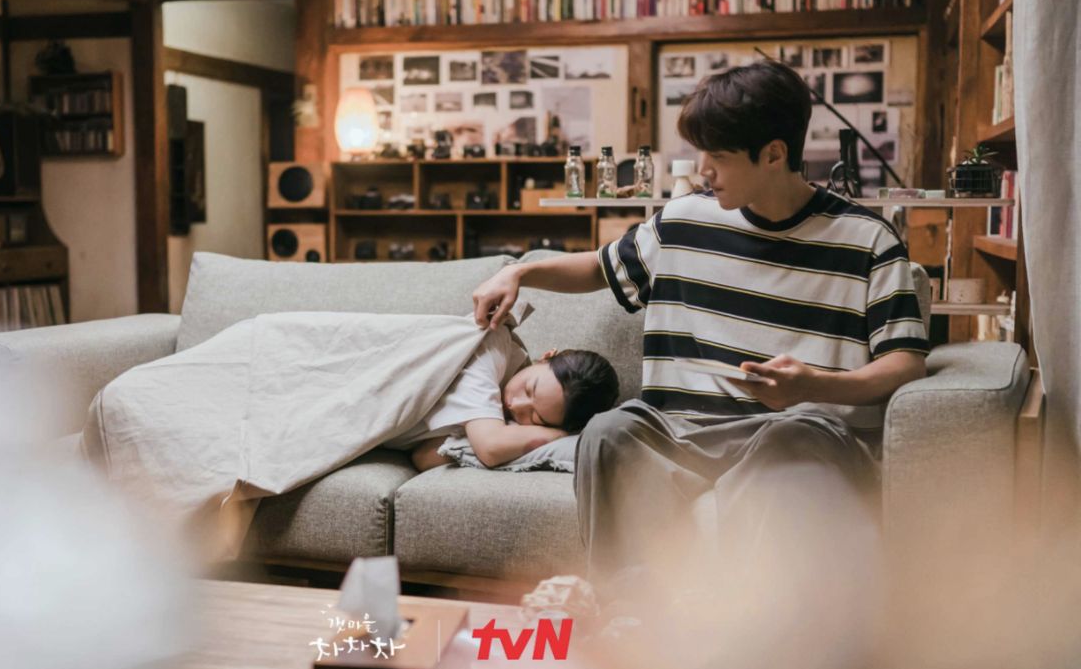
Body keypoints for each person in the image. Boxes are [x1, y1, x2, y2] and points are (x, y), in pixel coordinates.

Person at [470, 59, 930, 585]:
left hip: (796, 431)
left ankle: (754, 620)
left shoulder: (869, 242)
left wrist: (815, 385)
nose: (703, 169)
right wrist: (520, 272)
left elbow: (905, 364)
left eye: (719, 156)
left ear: (774, 154)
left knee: (793, 437)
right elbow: (599, 267)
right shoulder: (684, 220)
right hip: (680, 431)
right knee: (609, 431)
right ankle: (628, 610)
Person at [392, 324, 620, 471]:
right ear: (546, 357)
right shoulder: (492, 346)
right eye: (529, 389)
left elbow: (423, 457)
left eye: (535, 417)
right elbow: (491, 448)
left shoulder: (502, 425)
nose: (514, 404)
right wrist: (560, 435)